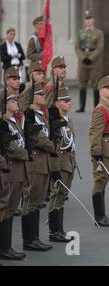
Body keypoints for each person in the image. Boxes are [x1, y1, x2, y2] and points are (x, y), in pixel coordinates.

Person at [21, 83, 57, 252]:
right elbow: (40, 139)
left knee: (38, 201)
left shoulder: (41, 115)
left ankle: (35, 237)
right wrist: (53, 146)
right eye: (41, 94)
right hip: (35, 162)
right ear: (34, 97)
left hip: (43, 162)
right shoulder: (30, 116)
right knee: (31, 201)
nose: (44, 96)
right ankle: (28, 240)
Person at [0, 92, 28, 260]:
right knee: (6, 209)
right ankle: (4, 248)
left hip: (18, 170)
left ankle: (7, 246)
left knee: (10, 210)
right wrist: (27, 154)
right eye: (12, 100)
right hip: (10, 169)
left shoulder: (14, 121)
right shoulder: (4, 123)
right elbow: (11, 147)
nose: (16, 102)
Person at [90, 75, 109, 227]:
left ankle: (102, 215)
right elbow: (95, 133)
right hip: (103, 150)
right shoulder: (101, 109)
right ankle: (99, 216)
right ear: (101, 91)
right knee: (100, 182)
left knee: (104, 181)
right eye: (108, 88)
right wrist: (97, 153)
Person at [47, 87, 76, 243]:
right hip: (60, 160)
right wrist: (55, 167)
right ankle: (53, 231)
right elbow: (54, 146)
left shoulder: (68, 120)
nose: (69, 103)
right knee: (56, 195)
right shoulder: (54, 122)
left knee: (63, 196)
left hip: (69, 160)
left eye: (69, 100)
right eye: (65, 101)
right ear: (57, 103)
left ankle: (60, 229)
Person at [74, 10, 105, 112]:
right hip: (83, 61)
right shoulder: (80, 33)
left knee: (96, 84)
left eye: (89, 19)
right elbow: (77, 47)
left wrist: (91, 58)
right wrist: (83, 58)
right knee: (82, 83)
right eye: (86, 19)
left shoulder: (99, 33)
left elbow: (100, 48)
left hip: (94, 62)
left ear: (93, 20)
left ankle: (96, 106)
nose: (88, 21)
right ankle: (82, 106)